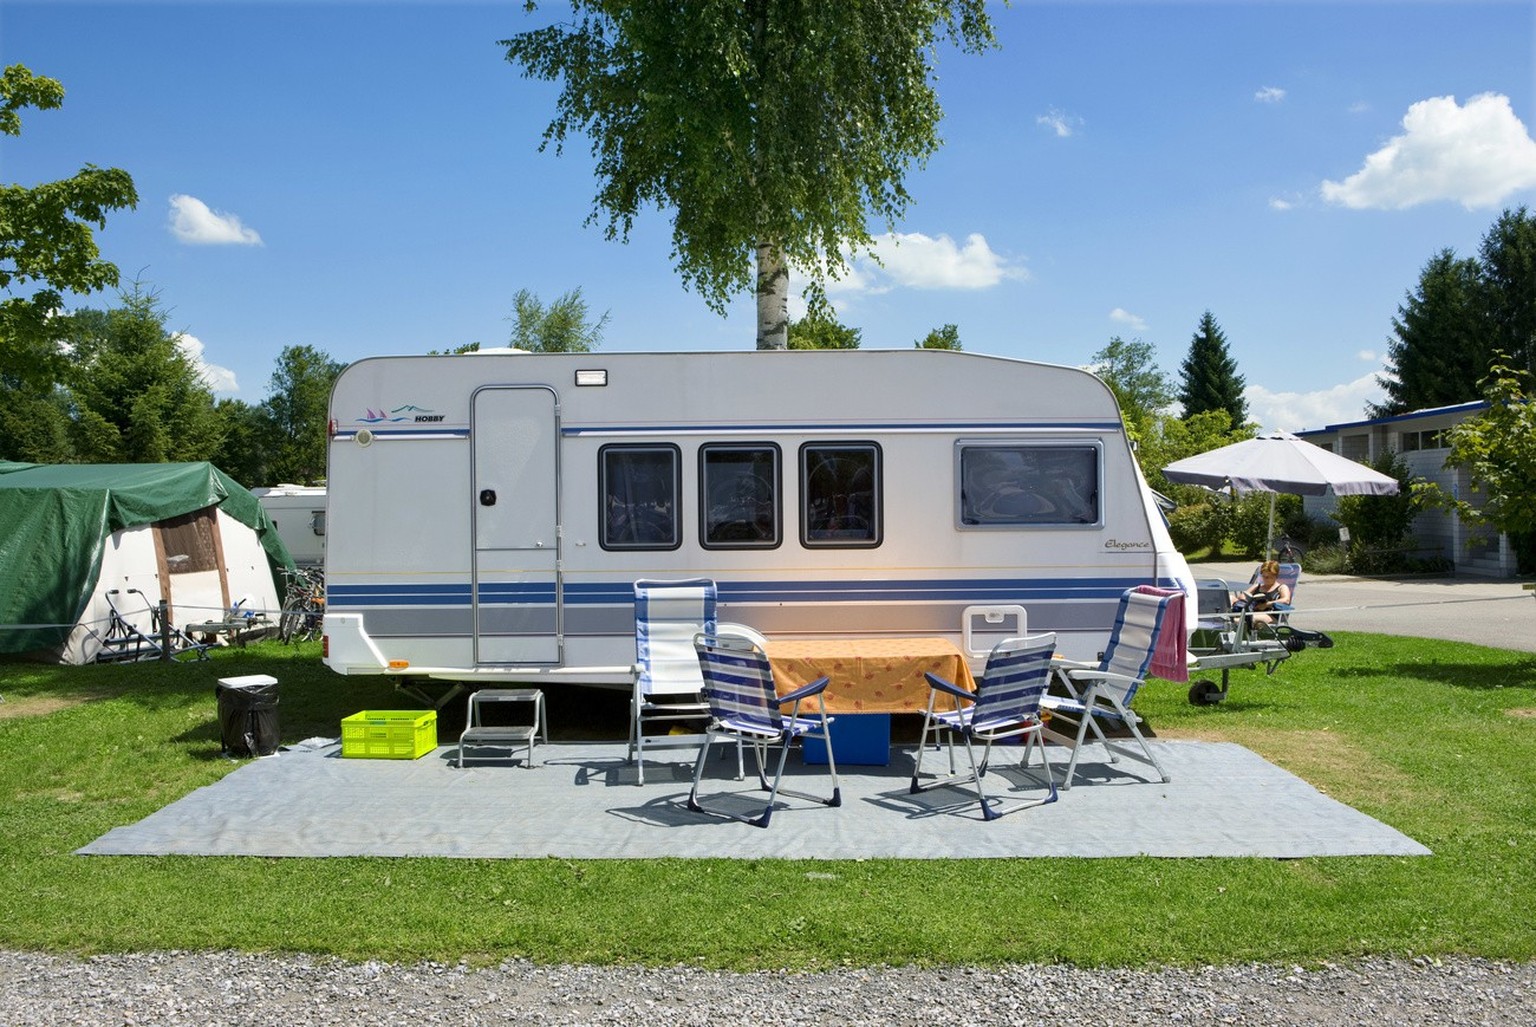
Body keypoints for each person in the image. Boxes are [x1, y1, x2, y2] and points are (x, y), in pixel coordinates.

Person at [1231, 560, 1292, 627]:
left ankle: (1231, 621)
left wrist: (1267, 604)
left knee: (1252, 617)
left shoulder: (1281, 587)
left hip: (1270, 615)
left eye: (1269, 577)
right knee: (1230, 598)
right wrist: (1249, 599)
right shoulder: (1258, 586)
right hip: (1252, 611)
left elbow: (1286, 600)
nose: (1266, 579)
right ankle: (1226, 617)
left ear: (1275, 576)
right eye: (1264, 576)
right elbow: (1242, 596)